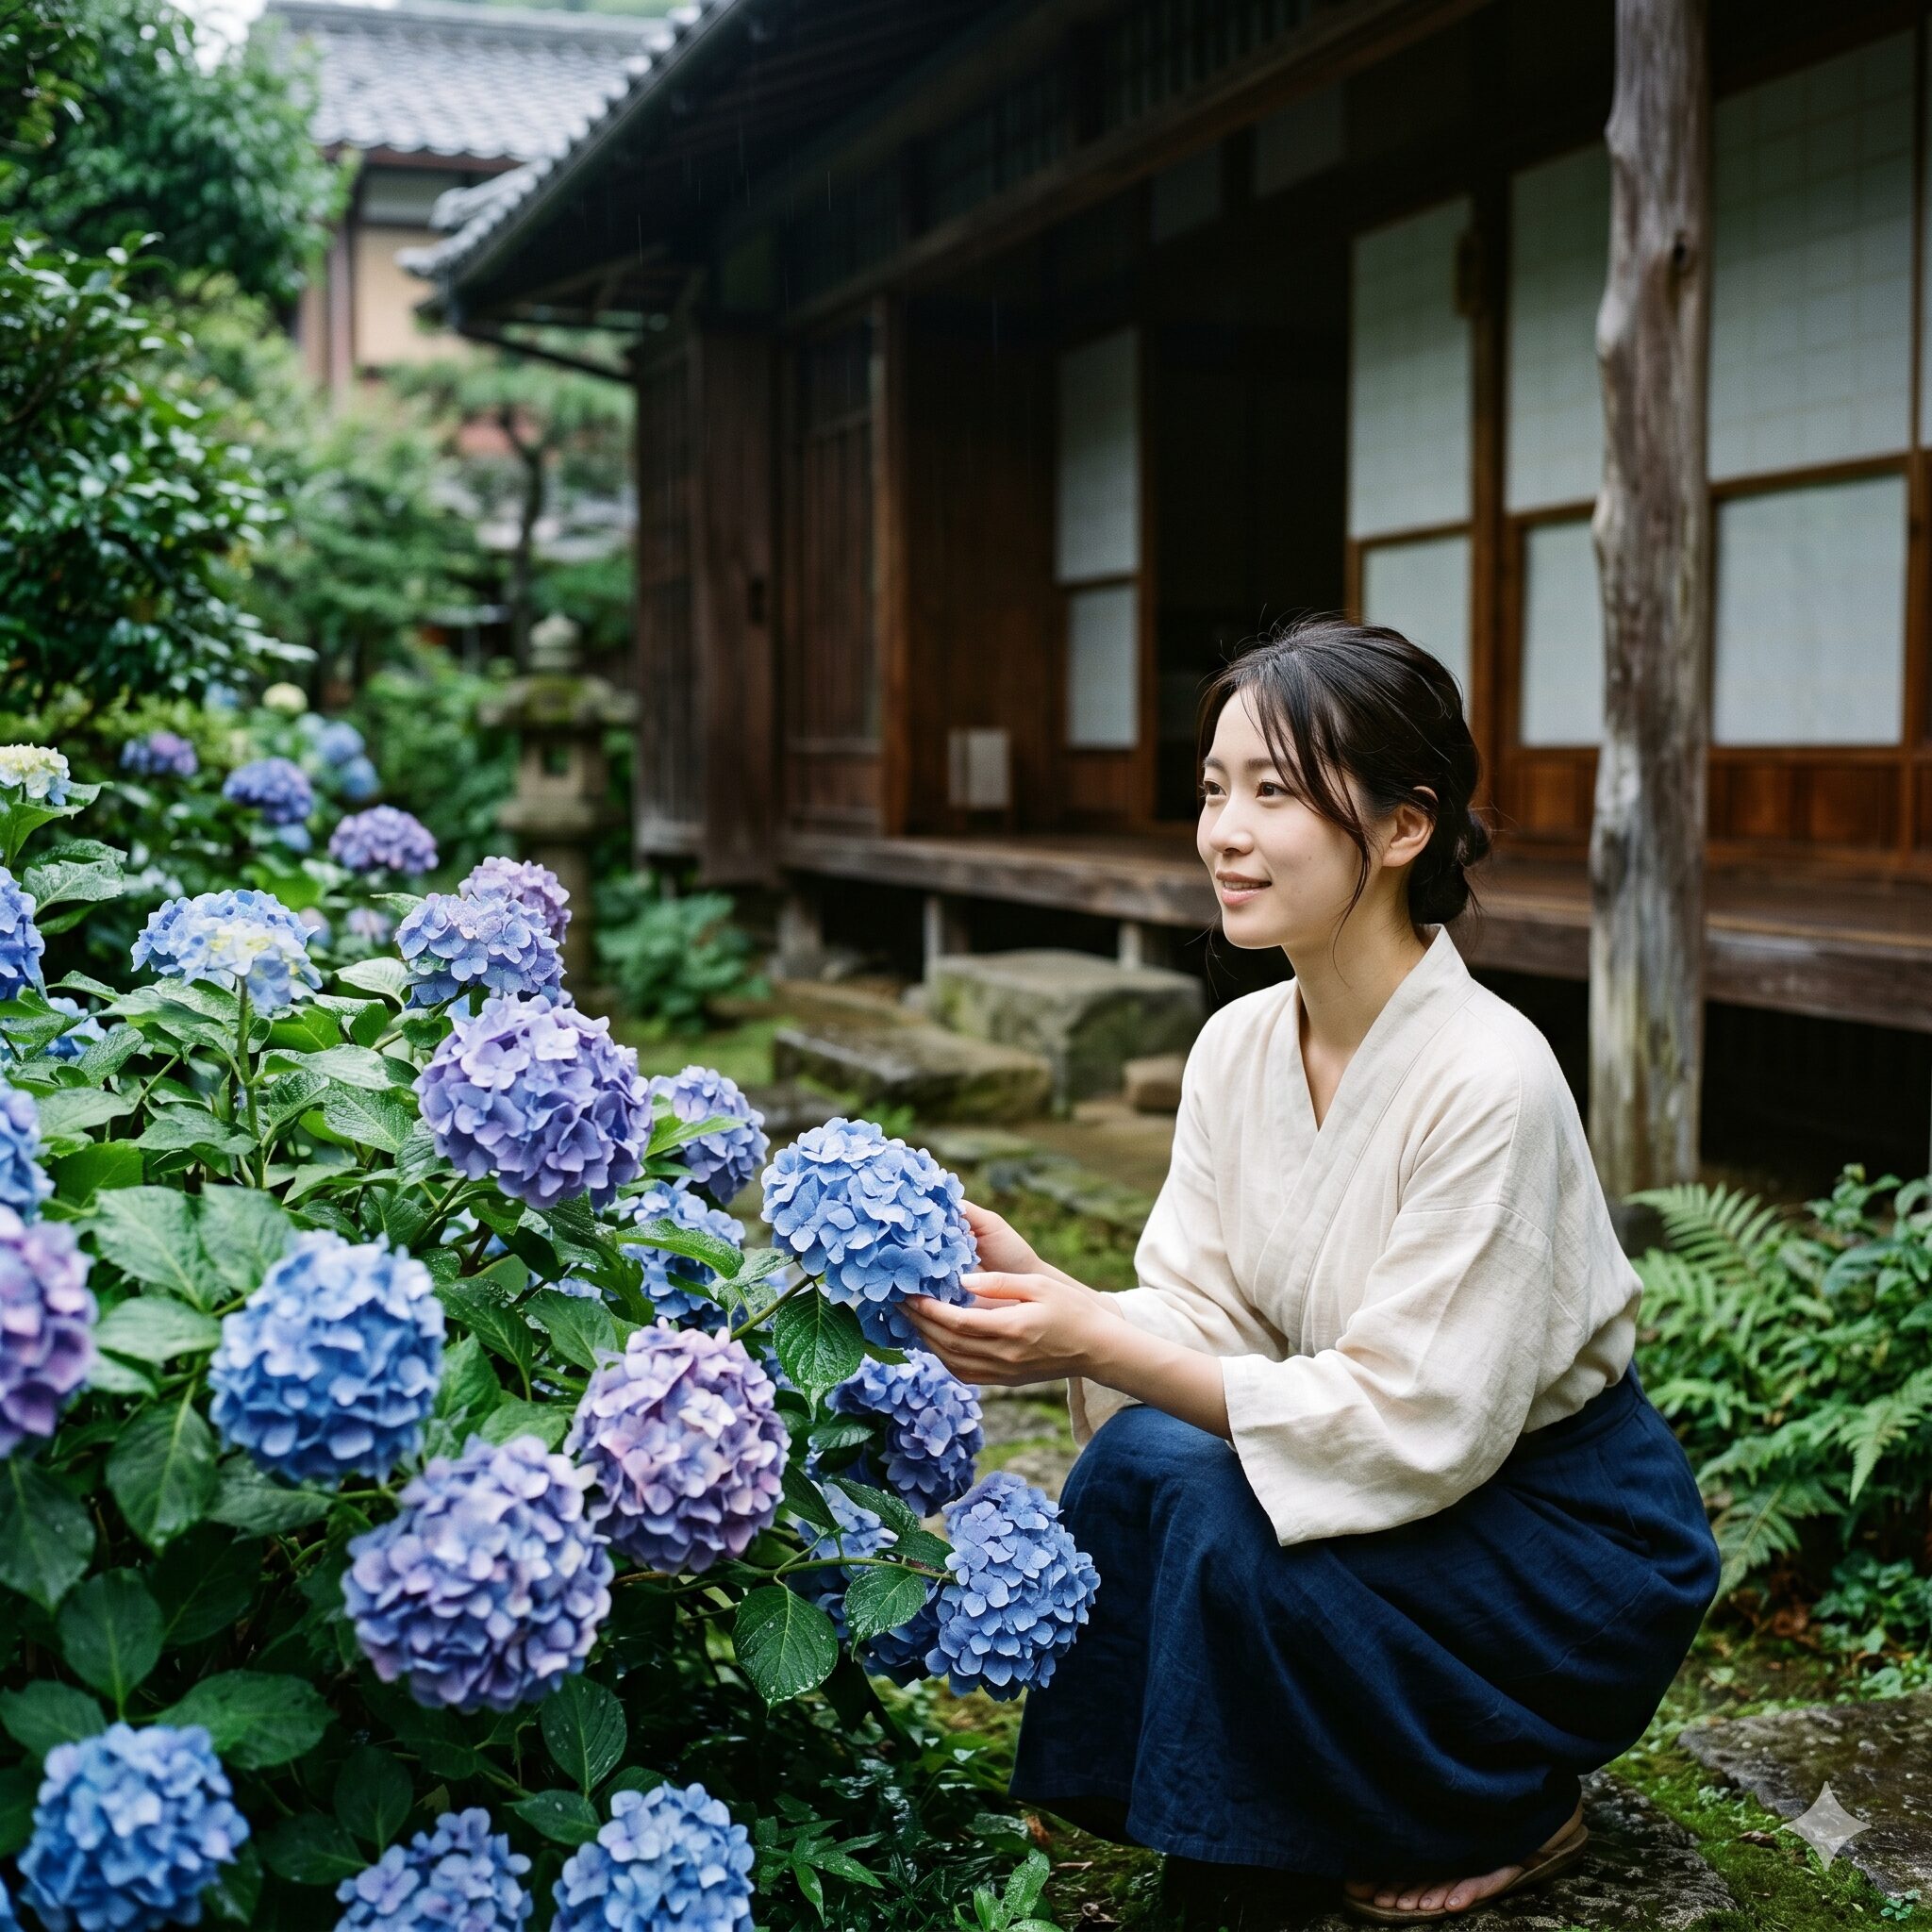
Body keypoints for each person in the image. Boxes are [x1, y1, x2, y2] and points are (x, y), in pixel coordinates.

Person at [905, 617, 1722, 1926]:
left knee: (1219, 1510)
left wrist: (1096, 1343)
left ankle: (1499, 1795)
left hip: (1557, 1548)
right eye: (1213, 790)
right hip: (1409, 1495)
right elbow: (1204, 1313)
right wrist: (1054, 1297)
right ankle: (1279, 1823)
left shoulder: (1490, 1079)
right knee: (1141, 1465)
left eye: (1274, 793)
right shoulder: (1237, 1045)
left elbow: (1408, 1420)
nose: (1224, 835)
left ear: (1403, 827)